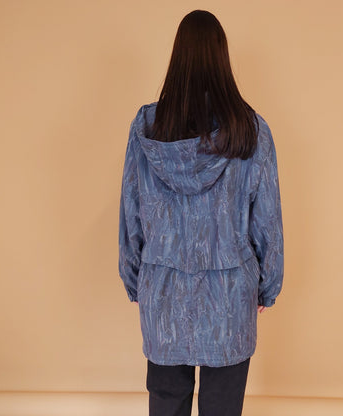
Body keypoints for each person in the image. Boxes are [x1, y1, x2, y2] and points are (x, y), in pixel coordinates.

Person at [118, 9, 284, 416]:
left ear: (178, 57)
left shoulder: (148, 128)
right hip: (229, 295)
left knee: (166, 403)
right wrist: (267, 284)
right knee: (223, 408)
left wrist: (135, 278)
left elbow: (131, 211)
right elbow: (267, 219)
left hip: (163, 290)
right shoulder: (251, 130)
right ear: (222, 58)